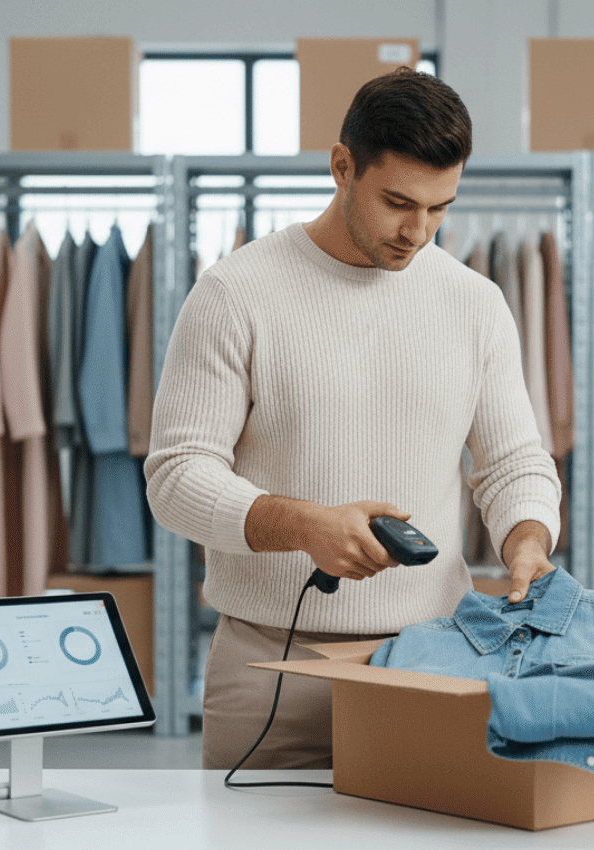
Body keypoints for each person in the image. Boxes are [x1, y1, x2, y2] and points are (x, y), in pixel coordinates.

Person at [144, 68, 562, 770]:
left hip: (435, 660)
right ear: (342, 166)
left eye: (439, 207)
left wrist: (527, 538)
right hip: (270, 665)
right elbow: (176, 478)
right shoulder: (234, 293)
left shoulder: (476, 303)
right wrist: (306, 526)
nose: (418, 232)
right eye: (398, 202)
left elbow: (513, 462)